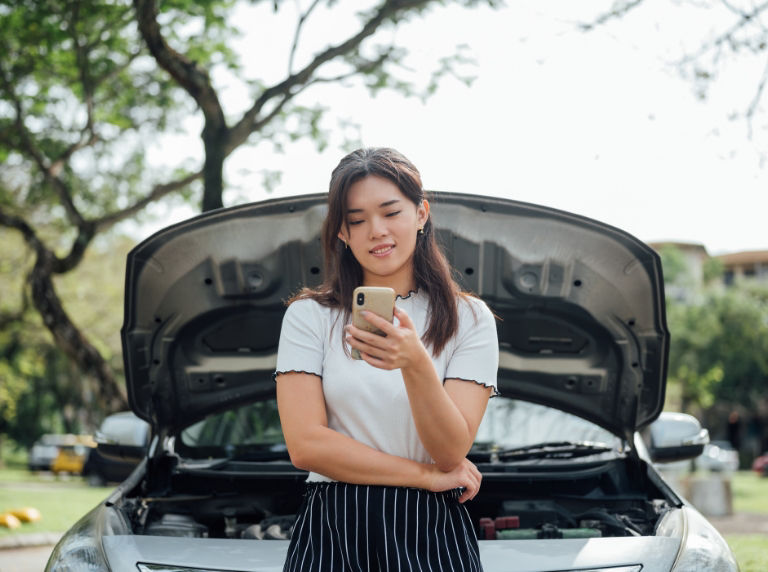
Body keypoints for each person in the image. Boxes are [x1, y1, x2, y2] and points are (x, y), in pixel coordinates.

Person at [274, 147, 499, 571]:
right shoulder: (308, 317)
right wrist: (425, 476)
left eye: (391, 212)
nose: (376, 230)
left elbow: (451, 451)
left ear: (421, 213)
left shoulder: (470, 319)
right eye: (356, 220)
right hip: (333, 530)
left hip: (430, 532)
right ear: (342, 232)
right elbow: (306, 446)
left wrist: (415, 364)